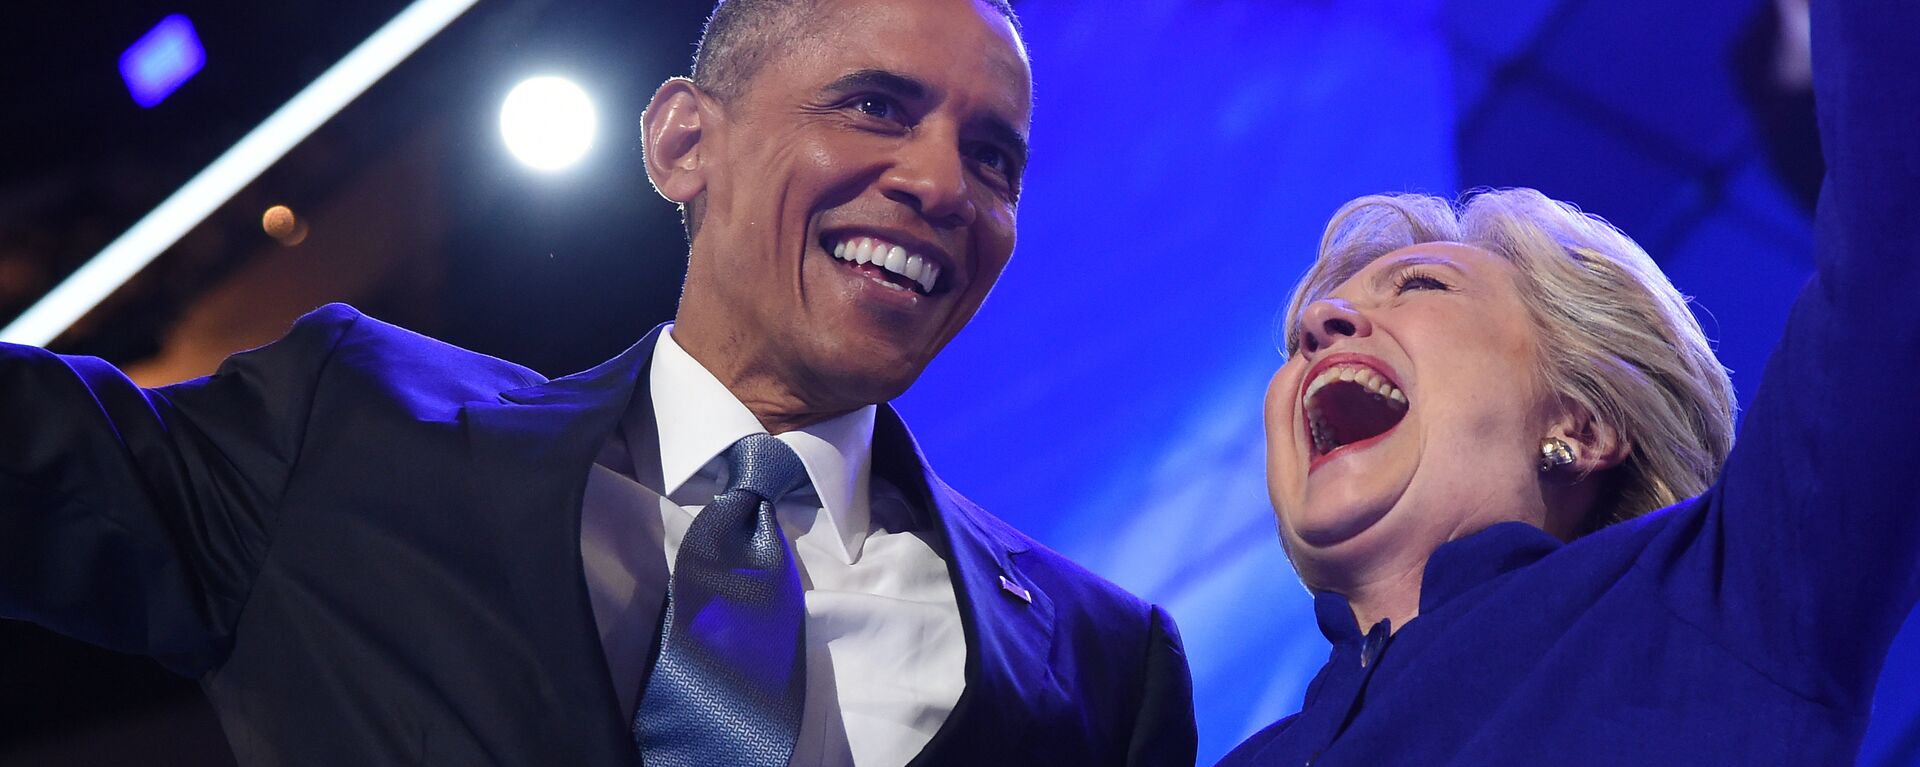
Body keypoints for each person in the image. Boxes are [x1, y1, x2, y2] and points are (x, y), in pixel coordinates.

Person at [0, 1, 1197, 765]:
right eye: (875, 105)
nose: (943, 183)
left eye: (994, 157)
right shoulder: (353, 430)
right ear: (685, 143)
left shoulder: (1104, 663)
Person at [1219, 0, 1916, 763]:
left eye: (1419, 286)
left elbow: (1895, 274)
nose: (1323, 322)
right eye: (1301, 338)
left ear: (1583, 424)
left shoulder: (1716, 601)